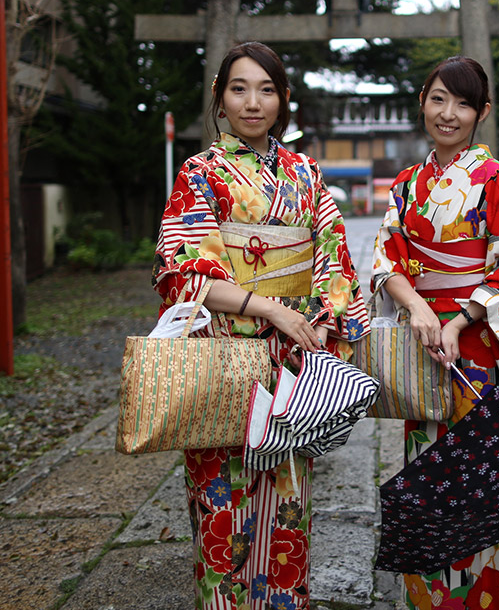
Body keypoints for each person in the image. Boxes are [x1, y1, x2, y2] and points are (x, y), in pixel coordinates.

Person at [152, 41, 369, 610]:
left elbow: (334, 256)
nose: (254, 102)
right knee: (222, 502)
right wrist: (270, 308)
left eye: (267, 89)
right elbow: (183, 269)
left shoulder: (305, 173)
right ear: (220, 100)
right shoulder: (201, 173)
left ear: (284, 99)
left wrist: (323, 320)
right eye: (239, 88)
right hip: (224, 353)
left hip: (293, 365)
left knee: (289, 505)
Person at [370, 55, 499, 610]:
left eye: (464, 103)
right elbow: (385, 261)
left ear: (482, 113)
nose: (449, 114)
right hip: (427, 356)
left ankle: (491, 598)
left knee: (488, 487)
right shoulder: (406, 184)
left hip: (480, 356)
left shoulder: (493, 179)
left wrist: (463, 316)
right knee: (431, 487)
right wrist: (418, 309)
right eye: (439, 99)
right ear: (422, 101)